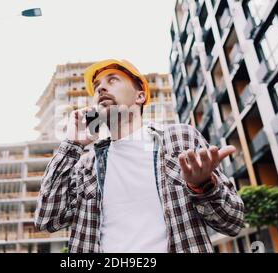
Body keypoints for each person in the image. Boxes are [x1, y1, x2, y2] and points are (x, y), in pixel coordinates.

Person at [34, 59, 244, 253]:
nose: (101, 88)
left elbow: (232, 222)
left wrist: (203, 186)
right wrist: (71, 145)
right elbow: (47, 220)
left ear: (140, 96)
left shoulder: (179, 139)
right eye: (97, 86)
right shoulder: (85, 165)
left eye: (112, 79)